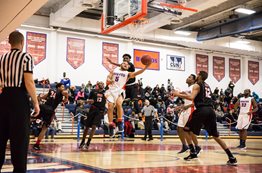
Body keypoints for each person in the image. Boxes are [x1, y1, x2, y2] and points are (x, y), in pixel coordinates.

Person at [171, 71, 237, 165]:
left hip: (202, 110)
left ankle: (193, 152)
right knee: (216, 136)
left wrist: (178, 94)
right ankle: (231, 157)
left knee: (185, 129)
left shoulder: (197, 85)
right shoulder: (207, 85)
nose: (196, 76)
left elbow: (191, 97)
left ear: (200, 76)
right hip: (211, 111)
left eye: (197, 75)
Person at [0, 31, 40, 173]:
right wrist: (35, 103)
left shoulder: (2, 58)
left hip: (3, 98)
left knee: (1, 138)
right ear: (22, 42)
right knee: (19, 142)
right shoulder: (26, 57)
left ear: (10, 42)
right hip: (19, 99)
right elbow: (29, 82)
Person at [105, 61, 150, 137]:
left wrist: (145, 67)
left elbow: (138, 73)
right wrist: (109, 80)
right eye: (124, 63)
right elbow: (108, 78)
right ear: (121, 65)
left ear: (128, 67)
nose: (125, 64)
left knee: (119, 104)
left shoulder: (127, 74)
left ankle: (119, 122)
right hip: (111, 90)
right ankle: (110, 125)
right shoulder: (114, 70)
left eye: (127, 64)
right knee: (110, 106)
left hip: (120, 91)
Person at [33, 83, 68, 150]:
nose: (63, 88)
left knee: (31, 120)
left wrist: (39, 98)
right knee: (44, 128)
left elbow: (43, 97)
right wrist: (66, 97)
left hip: (43, 107)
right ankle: (37, 145)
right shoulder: (62, 92)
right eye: (62, 87)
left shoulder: (51, 90)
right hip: (50, 110)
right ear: (58, 87)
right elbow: (65, 97)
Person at [176, 74, 201, 154]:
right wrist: (181, 107)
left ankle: (197, 146)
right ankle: (184, 146)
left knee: (189, 131)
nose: (187, 78)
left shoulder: (195, 87)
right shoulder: (188, 88)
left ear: (194, 80)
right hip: (185, 109)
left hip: (191, 109)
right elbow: (188, 100)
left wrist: (188, 106)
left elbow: (196, 102)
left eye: (190, 77)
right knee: (179, 128)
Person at [79, 82, 106, 149]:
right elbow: (88, 100)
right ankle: (82, 141)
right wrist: (90, 101)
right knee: (87, 126)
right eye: (100, 83)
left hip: (100, 111)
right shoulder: (93, 91)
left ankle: (88, 142)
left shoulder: (105, 93)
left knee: (94, 126)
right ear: (97, 85)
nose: (102, 84)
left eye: (103, 84)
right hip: (92, 110)